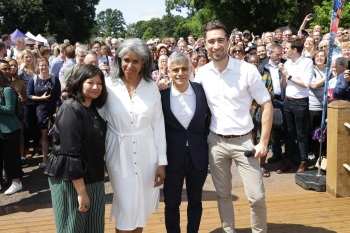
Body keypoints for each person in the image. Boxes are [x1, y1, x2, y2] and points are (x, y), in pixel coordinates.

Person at [161, 20, 272, 233]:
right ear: (205, 45)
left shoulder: (247, 70)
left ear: (228, 42)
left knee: (256, 197)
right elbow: (183, 91)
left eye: (220, 40)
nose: (216, 45)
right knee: (223, 195)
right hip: (215, 142)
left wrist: (264, 141)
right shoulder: (201, 74)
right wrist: (165, 85)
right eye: (211, 41)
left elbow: (267, 104)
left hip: (245, 141)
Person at [99, 38, 167, 232]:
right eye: (126, 60)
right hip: (117, 152)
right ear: (119, 60)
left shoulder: (151, 87)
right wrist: (101, 155)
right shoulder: (108, 85)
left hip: (147, 154)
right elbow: (98, 119)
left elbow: (158, 125)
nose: (130, 65)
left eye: (135, 61)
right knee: (126, 206)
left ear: (144, 63)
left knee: (141, 206)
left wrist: (161, 163)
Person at [44, 64, 108, 233]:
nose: (96, 87)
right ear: (79, 83)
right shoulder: (71, 108)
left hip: (93, 177)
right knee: (72, 228)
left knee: (94, 228)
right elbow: (69, 152)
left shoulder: (91, 106)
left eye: (99, 83)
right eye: (90, 82)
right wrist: (81, 191)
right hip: (71, 180)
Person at [161, 52, 209, 232]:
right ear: (168, 71)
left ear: (191, 69)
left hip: (197, 156)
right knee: (171, 203)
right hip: (172, 158)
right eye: (175, 70)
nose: (180, 73)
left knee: (195, 201)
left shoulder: (201, 91)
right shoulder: (162, 96)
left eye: (184, 69)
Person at [278, 38, 314, 173]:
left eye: (287, 48)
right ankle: (288, 159)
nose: (284, 50)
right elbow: (283, 84)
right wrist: (283, 74)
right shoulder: (287, 62)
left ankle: (303, 161)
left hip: (300, 102)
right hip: (287, 102)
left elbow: (305, 83)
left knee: (301, 134)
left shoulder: (307, 62)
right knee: (288, 133)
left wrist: (288, 75)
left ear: (294, 50)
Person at [27, 58, 61, 168]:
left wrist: (57, 109)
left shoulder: (55, 79)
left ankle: (56, 160)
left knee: (55, 136)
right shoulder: (34, 80)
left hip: (53, 111)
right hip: (40, 110)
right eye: (41, 65)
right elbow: (29, 95)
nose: (43, 67)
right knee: (44, 136)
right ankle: (45, 160)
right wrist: (40, 98)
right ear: (38, 66)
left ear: (48, 66)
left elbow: (58, 97)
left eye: (45, 65)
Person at [0, 71, 23, 194]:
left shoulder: (7, 90)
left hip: (10, 129)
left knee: (11, 157)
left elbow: (9, 109)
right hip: (2, 130)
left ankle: (17, 182)